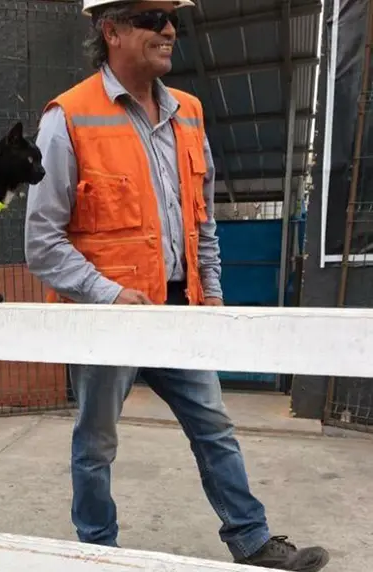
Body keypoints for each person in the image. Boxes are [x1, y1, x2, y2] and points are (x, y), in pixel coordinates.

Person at [24, 1, 330, 570]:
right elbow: (41, 242)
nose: (168, 30)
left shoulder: (189, 113)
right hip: (108, 318)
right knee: (96, 445)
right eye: (151, 19)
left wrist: (210, 290)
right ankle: (98, 552)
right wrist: (108, 293)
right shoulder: (68, 117)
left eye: (172, 20)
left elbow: (202, 219)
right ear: (109, 30)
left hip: (178, 308)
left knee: (215, 427)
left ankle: (252, 541)